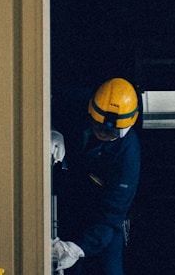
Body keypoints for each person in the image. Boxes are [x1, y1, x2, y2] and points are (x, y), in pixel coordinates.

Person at [51, 78, 142, 275]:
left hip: (105, 214)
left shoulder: (128, 156)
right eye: (97, 125)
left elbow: (111, 216)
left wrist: (77, 248)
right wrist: (52, 130)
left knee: (109, 270)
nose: (101, 133)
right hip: (71, 199)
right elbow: (42, 103)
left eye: (110, 131)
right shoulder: (75, 101)